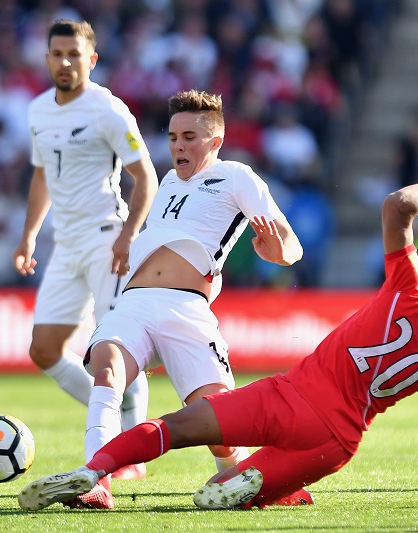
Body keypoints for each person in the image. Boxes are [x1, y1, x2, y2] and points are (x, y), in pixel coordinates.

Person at [18, 170, 418, 512]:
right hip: (335, 444)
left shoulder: (410, 290)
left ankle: (95, 470)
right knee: (236, 493)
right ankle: (256, 485)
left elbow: (397, 204)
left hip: (289, 399)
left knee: (173, 429)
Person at [48, 89, 304, 509]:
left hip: (186, 309)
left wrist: (276, 251)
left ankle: (248, 481)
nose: (178, 146)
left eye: (190, 137)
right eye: (172, 137)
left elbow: (291, 247)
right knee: (107, 371)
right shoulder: (167, 181)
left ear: (216, 141)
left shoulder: (238, 177)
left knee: (215, 422)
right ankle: (97, 479)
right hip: (133, 303)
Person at [12, 20, 158, 480]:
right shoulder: (38, 111)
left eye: (74, 54)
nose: (65, 62)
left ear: (91, 60)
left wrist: (128, 235)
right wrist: (30, 233)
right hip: (66, 243)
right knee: (44, 349)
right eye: (57, 54)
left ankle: (126, 448)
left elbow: (145, 177)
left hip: (106, 238)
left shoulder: (108, 110)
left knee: (114, 349)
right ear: (47, 58)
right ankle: (119, 425)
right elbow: (41, 177)